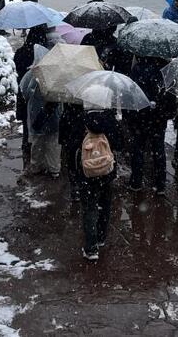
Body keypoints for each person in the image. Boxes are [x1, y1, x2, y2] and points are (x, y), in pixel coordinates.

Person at [76, 104, 120, 261]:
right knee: (105, 205)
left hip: (86, 174)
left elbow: (71, 146)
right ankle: (101, 237)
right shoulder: (109, 120)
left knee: (89, 208)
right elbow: (120, 144)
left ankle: (91, 247)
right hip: (106, 172)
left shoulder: (80, 120)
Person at [127, 55, 170, 194]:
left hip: (140, 116)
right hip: (159, 117)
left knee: (138, 149)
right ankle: (160, 184)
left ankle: (136, 181)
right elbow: (169, 95)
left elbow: (131, 93)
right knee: (158, 149)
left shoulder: (138, 69)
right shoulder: (165, 71)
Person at [14, 25, 50, 153]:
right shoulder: (44, 54)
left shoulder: (20, 52)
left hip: (23, 91)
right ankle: (39, 148)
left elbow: (17, 68)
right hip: (39, 91)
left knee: (26, 119)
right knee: (39, 118)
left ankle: (26, 144)